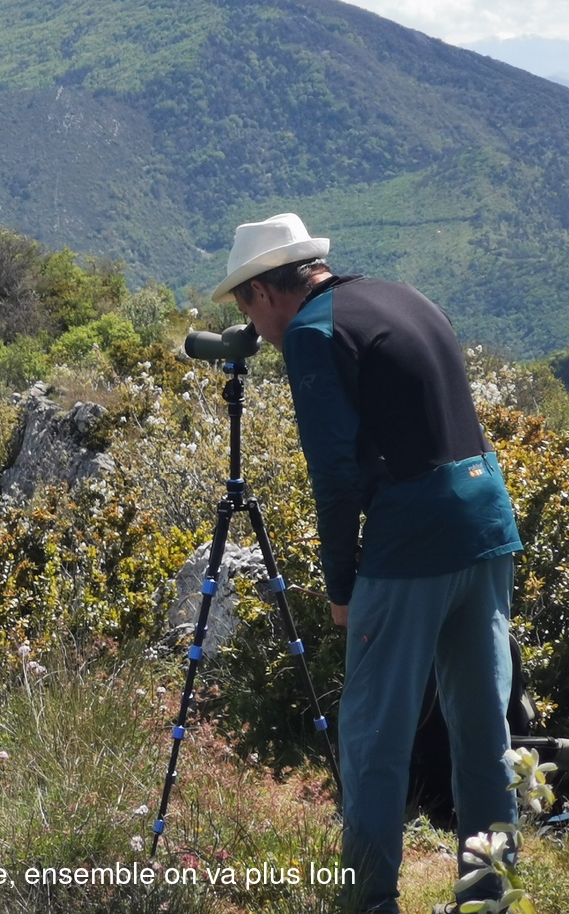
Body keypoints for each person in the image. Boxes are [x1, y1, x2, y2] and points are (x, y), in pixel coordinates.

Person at [210, 213, 524, 914]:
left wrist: (342, 584)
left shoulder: (312, 332)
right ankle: (491, 897)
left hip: (413, 540)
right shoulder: (405, 296)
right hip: (487, 518)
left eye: (247, 309)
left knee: (373, 737)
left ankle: (369, 901)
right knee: (483, 733)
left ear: (265, 291)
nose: (256, 328)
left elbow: (335, 477)